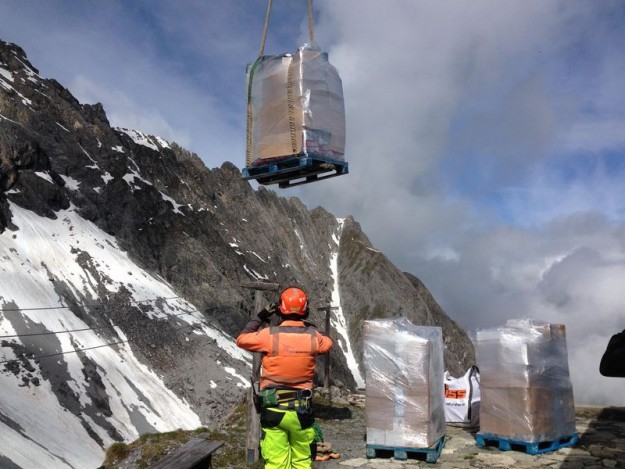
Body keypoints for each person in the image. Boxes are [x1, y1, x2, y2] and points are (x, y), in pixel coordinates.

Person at [236, 287, 333, 469]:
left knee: (276, 462)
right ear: (305, 310)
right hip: (302, 411)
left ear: (280, 309)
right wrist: (310, 328)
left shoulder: (268, 335)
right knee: (302, 461)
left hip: (273, 410)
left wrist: (261, 315)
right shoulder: (314, 337)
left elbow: (241, 339)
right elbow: (327, 343)